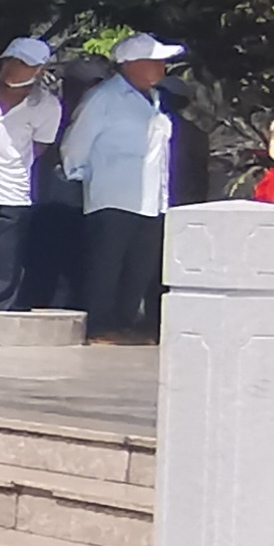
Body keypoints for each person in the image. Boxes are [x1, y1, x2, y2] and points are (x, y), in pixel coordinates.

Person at [67, 36, 186, 342]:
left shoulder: (155, 99)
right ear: (132, 65)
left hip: (150, 199)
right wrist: (80, 174)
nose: (162, 67)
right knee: (107, 265)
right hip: (113, 195)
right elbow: (77, 141)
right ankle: (100, 326)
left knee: (139, 266)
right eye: (155, 61)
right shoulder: (104, 98)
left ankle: (123, 323)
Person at [0, 37, 64, 311]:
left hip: (11, 192)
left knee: (3, 263)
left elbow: (40, 147)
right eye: (11, 61)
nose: (13, 69)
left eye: (24, 64)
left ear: (39, 70)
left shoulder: (48, 106)